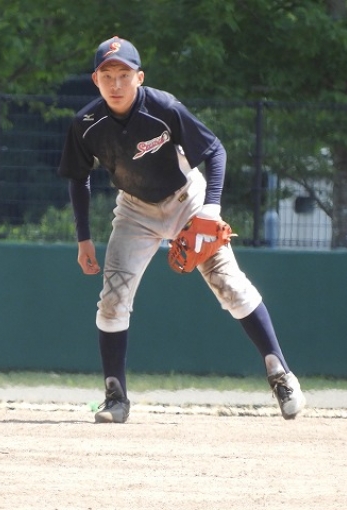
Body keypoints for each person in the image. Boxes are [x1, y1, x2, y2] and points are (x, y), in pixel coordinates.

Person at [58, 36, 306, 423]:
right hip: (135, 210)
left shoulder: (164, 108)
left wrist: (211, 210)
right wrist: (83, 239)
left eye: (124, 74)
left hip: (187, 200)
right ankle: (115, 396)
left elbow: (215, 151)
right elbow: (78, 178)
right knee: (112, 300)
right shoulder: (86, 124)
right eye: (107, 75)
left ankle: (281, 375)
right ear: (95, 80)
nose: (116, 84)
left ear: (139, 77)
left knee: (230, 285)